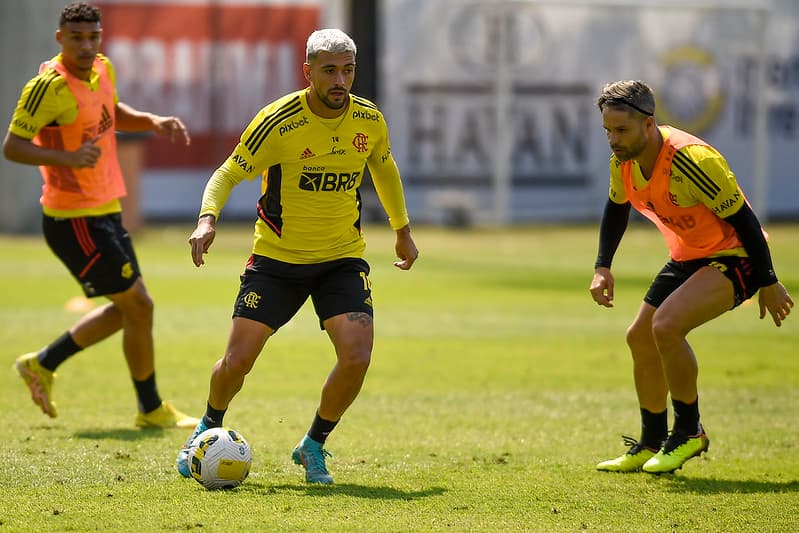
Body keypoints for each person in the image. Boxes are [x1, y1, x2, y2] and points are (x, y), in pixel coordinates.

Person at [176, 28, 419, 485]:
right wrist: (207, 218)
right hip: (277, 261)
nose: (340, 80)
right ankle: (206, 427)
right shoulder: (279, 121)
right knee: (237, 362)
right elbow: (228, 172)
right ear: (307, 71)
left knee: (357, 356)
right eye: (329, 70)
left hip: (341, 259)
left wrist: (402, 230)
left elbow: (384, 169)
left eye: (347, 70)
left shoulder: (368, 121)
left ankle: (313, 445)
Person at [4, 2, 198, 429]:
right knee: (139, 305)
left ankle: (44, 363)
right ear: (60, 39)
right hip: (73, 219)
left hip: (106, 209)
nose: (87, 45)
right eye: (77, 38)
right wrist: (67, 158)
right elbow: (13, 146)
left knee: (133, 309)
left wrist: (151, 121)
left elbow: (110, 114)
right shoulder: (47, 87)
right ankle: (149, 409)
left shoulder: (102, 69)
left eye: (94, 37)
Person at [589, 80, 794, 474]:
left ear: (649, 124)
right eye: (607, 131)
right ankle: (650, 441)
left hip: (738, 256)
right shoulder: (624, 162)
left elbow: (745, 221)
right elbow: (616, 209)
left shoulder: (691, 159)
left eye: (621, 130)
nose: (613, 140)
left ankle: (688, 432)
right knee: (639, 337)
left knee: (666, 326)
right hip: (690, 256)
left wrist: (768, 281)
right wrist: (603, 266)